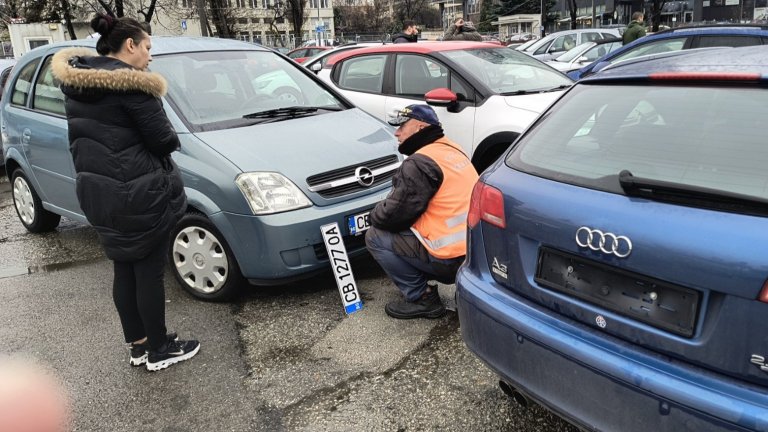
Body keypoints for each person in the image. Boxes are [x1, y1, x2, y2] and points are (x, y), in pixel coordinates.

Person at [52, 14, 200, 371]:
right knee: (148, 271)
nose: (150, 55)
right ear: (130, 45)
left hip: (99, 192)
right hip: (138, 192)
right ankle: (161, 349)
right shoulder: (134, 87)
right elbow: (164, 140)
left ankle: (138, 345)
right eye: (147, 47)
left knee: (124, 267)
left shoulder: (80, 85)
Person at [366, 105, 479, 319]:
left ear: (420, 127)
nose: (396, 133)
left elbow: (393, 215)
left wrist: (372, 215)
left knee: (375, 236)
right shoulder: (453, 150)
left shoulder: (419, 163)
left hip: (448, 258)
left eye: (401, 127)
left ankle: (423, 298)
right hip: (475, 252)